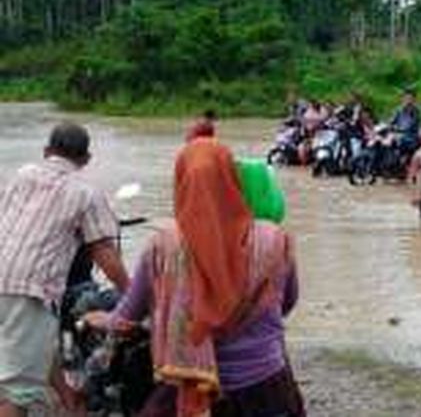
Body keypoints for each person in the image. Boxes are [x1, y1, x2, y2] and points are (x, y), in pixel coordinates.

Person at [86, 139, 305, 417]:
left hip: (188, 384)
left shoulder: (163, 245)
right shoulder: (276, 239)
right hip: (265, 381)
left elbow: (126, 319)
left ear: (181, 184)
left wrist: (101, 319)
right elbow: (286, 302)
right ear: (232, 181)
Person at [0, 122, 130, 417]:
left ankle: (70, 401)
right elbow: (104, 252)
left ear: (46, 151)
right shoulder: (86, 194)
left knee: (37, 347)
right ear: (86, 159)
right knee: (17, 394)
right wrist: (134, 294)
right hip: (29, 290)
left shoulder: (21, 174)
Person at [390, 88, 421, 154]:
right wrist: (396, 129)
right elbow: (391, 124)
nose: (409, 101)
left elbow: (417, 126)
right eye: (407, 98)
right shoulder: (398, 111)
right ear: (403, 99)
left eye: (411, 99)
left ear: (414, 100)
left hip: (412, 137)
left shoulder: (416, 111)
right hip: (399, 136)